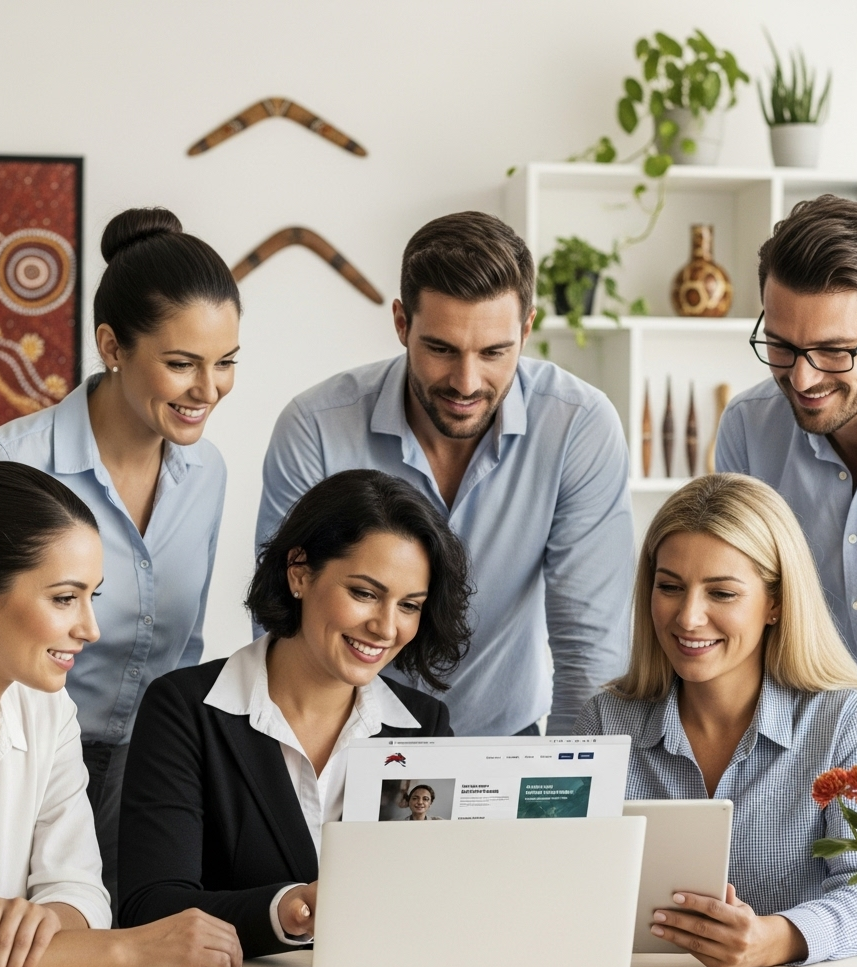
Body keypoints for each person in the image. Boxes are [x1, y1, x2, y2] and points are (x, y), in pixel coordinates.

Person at [255, 211, 634, 736]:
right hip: (344, 745)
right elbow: (282, 621)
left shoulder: (577, 425)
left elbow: (590, 648)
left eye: (495, 352)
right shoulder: (316, 426)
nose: (466, 382)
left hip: (507, 742)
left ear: (526, 330)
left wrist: (571, 793)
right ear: (401, 324)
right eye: (441, 349)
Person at [0, 207, 241, 911]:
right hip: (26, 764)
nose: (208, 390)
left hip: (156, 770)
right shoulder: (13, 465)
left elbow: (187, 646)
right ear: (112, 346)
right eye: (181, 363)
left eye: (227, 362)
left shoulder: (206, 472)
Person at [0, 464, 243, 967]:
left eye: (92, 597)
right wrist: (131, 950)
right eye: (63, 598)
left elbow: (80, 892)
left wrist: (40, 920)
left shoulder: (48, 711)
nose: (90, 629)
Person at [119, 470, 471, 957]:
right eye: (365, 593)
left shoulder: (426, 726)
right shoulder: (185, 710)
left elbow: (437, 902)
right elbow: (151, 907)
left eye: (409, 605)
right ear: (300, 572)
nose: (386, 627)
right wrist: (283, 909)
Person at [576, 473, 857, 967]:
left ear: (775, 602)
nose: (688, 617)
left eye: (721, 593)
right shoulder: (605, 721)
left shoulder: (846, 722)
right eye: (670, 587)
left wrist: (780, 938)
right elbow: (568, 886)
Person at [715, 194, 857, 742]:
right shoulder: (748, 429)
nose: (802, 380)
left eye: (832, 352)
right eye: (780, 345)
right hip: (811, 753)